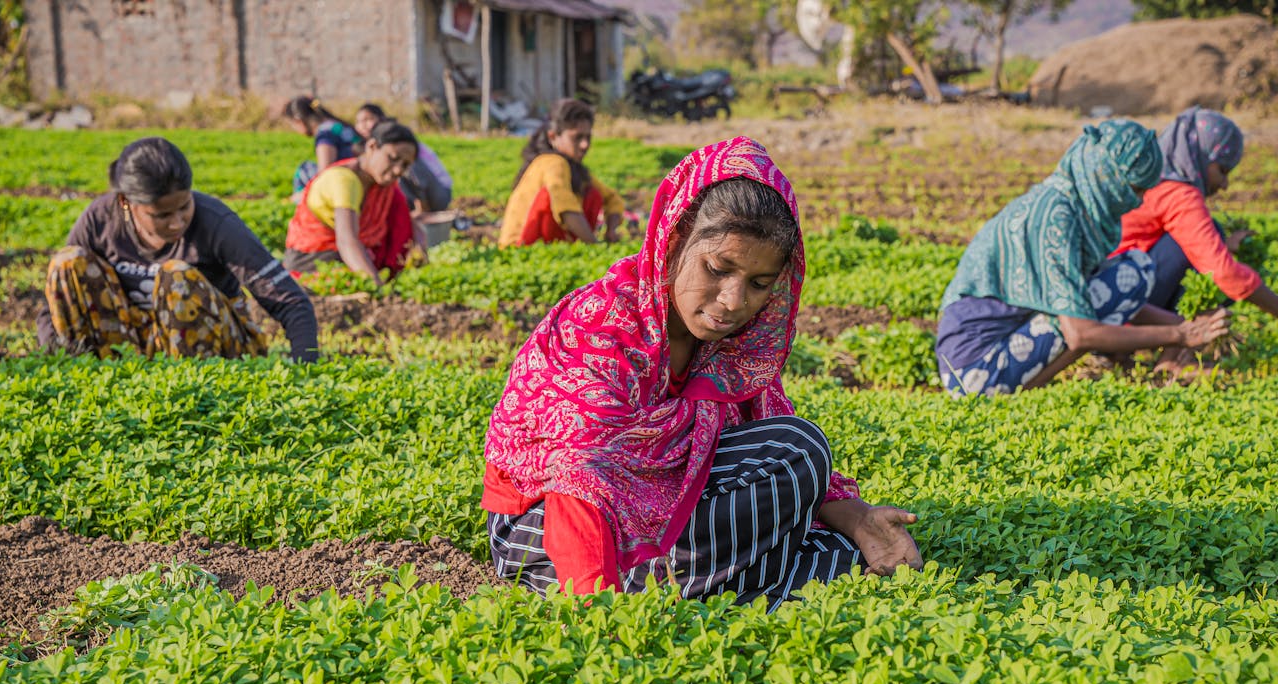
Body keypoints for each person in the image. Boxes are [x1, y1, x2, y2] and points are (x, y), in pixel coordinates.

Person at [483, 137, 923, 610]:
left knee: (800, 459)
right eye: (717, 268)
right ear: (675, 240)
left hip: (670, 508)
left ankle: (717, 586)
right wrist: (596, 613)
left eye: (758, 284)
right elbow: (578, 475)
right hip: (552, 529)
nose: (733, 301)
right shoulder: (603, 324)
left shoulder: (739, 344)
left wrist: (859, 520)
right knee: (810, 520)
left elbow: (773, 452)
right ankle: (730, 587)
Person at [934, 119, 1231, 397]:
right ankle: (1019, 395)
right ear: (1108, 177)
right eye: (1134, 189)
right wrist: (1179, 335)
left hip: (991, 356)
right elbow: (1080, 333)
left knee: (1130, 274)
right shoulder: (1056, 218)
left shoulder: (1070, 205)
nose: (1138, 201)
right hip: (974, 373)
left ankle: (1027, 388)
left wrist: (1191, 327)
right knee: (1124, 281)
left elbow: (1117, 300)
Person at [38, 137, 318, 362]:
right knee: (67, 262)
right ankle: (92, 371)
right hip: (131, 348)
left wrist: (304, 372)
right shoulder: (100, 219)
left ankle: (191, 390)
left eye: (184, 207)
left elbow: (291, 301)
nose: (177, 223)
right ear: (126, 202)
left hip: (218, 354)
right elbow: (57, 299)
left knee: (176, 277)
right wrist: (55, 366)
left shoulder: (215, 221)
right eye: (161, 215)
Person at [1114, 107, 1278, 368]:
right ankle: (1171, 356)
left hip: (1109, 295)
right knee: (1212, 262)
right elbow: (1224, 273)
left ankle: (1163, 351)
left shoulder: (1154, 177)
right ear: (1200, 155)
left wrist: (1225, 247)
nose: (1225, 184)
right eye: (1223, 170)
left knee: (1210, 241)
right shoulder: (1177, 192)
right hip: (1120, 306)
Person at [283, 120, 424, 287]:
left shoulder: (384, 186)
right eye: (393, 159)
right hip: (314, 261)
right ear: (372, 147)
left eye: (405, 165)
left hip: (353, 258)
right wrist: (375, 285)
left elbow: (408, 224)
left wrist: (421, 246)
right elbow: (347, 240)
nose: (398, 170)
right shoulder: (344, 180)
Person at [497, 98, 627, 249]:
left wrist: (610, 231)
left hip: (545, 248)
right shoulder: (553, 162)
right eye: (577, 138)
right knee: (556, 196)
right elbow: (566, 208)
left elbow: (611, 198)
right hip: (520, 247)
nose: (585, 145)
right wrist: (595, 246)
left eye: (587, 137)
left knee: (593, 194)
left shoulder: (572, 167)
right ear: (553, 137)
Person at [354, 103, 454, 216]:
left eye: (368, 119)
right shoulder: (367, 147)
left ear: (381, 119)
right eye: (359, 121)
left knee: (405, 166)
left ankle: (422, 208)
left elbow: (415, 171)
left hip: (439, 191)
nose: (363, 125)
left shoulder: (401, 141)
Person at [283, 96, 362, 200]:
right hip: (358, 175)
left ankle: (302, 205)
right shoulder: (340, 125)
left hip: (344, 182)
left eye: (292, 125)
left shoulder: (325, 134)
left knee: (304, 169)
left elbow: (325, 173)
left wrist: (302, 195)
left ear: (299, 121)